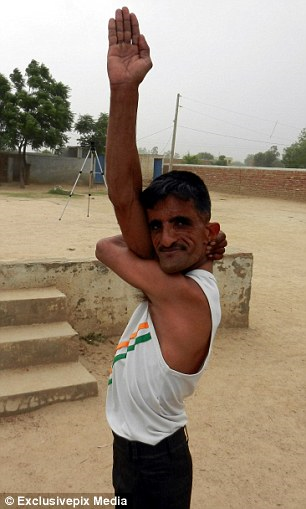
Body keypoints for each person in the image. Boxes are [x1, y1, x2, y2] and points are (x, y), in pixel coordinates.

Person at [95, 7, 227, 508]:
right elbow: (128, 201)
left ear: (208, 230)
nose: (166, 237)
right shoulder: (191, 272)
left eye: (181, 224)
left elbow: (107, 244)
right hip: (134, 448)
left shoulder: (181, 294)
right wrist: (123, 90)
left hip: (155, 460)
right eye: (157, 227)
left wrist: (123, 92)